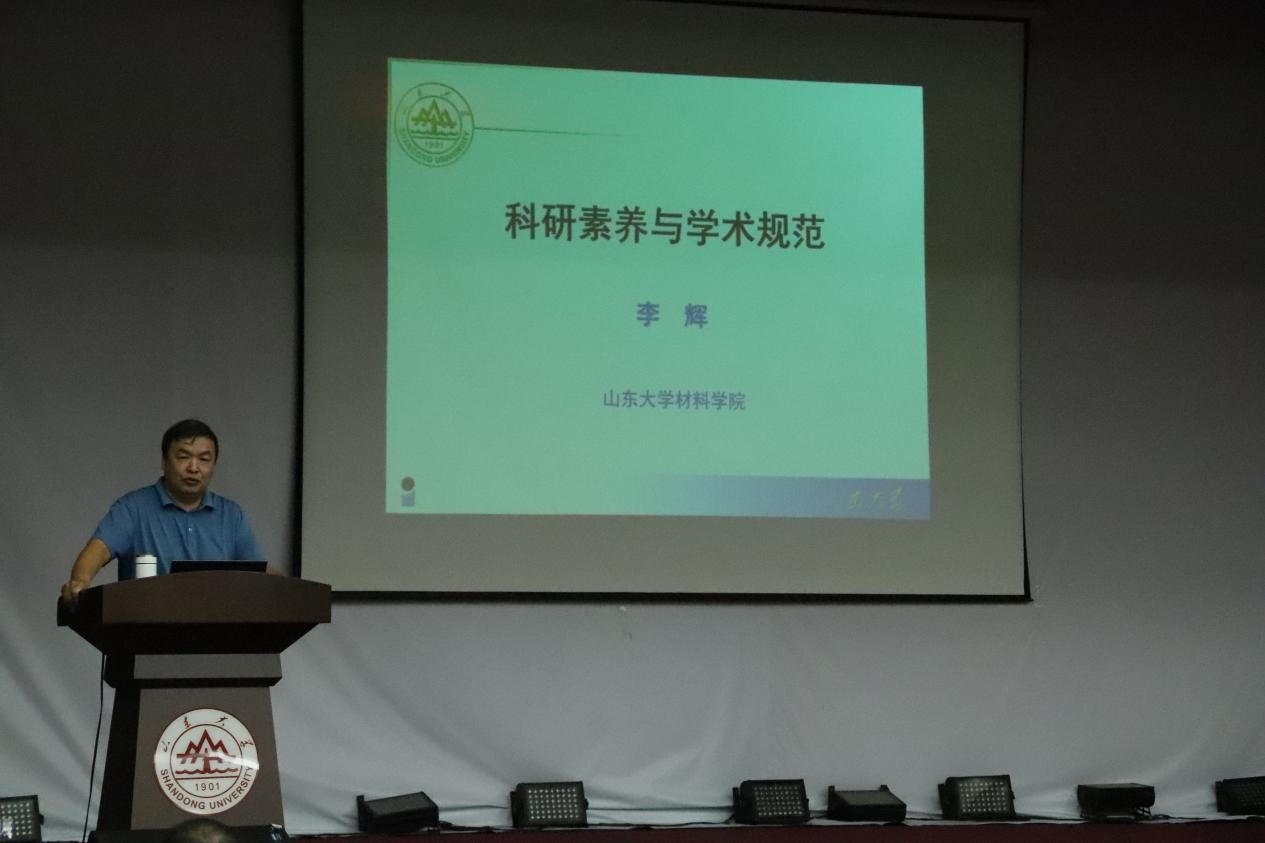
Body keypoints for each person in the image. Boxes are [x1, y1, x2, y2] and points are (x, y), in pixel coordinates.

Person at [59, 419, 263, 606]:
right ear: (164, 461)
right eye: (183, 457)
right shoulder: (133, 508)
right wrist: (80, 580)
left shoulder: (232, 516)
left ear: (214, 465)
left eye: (204, 459)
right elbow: (99, 549)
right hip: (145, 625)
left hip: (215, 629)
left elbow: (258, 575)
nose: (194, 468)